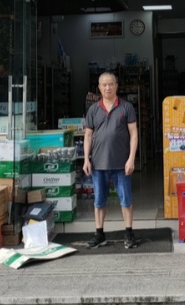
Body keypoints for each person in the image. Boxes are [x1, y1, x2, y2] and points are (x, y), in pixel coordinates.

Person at [83, 71, 139, 250]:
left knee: (126, 200)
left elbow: (134, 134)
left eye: (111, 84)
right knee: (99, 201)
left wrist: (131, 159)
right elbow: (88, 135)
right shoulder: (93, 109)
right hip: (98, 163)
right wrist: (86, 159)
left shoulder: (126, 107)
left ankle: (128, 233)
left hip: (122, 164)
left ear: (116, 86)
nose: (108, 87)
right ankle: (99, 234)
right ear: (99, 88)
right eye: (104, 85)